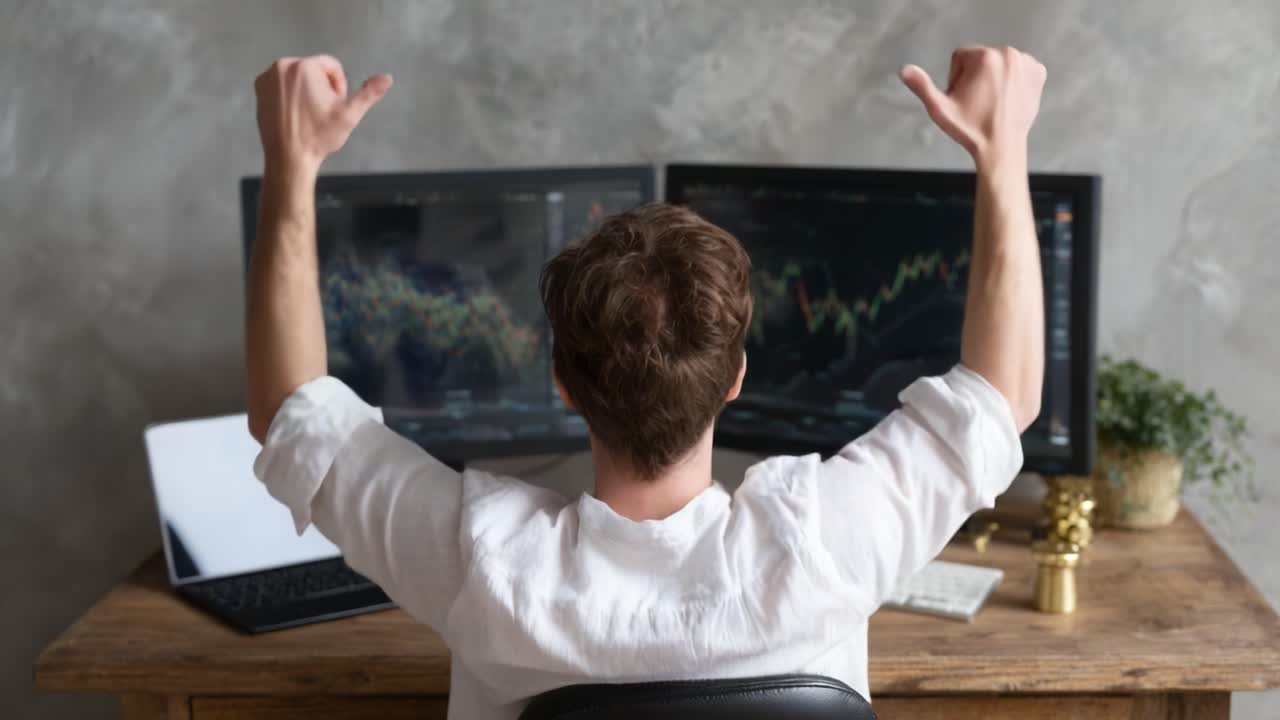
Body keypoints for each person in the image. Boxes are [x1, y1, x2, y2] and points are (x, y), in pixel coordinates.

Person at [246, 46, 1046, 720]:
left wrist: (294, 164)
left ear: (562, 382)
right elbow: (1002, 398)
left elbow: (291, 411)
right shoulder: (823, 545)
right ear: (735, 378)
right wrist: (1000, 151)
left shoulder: (481, 562)